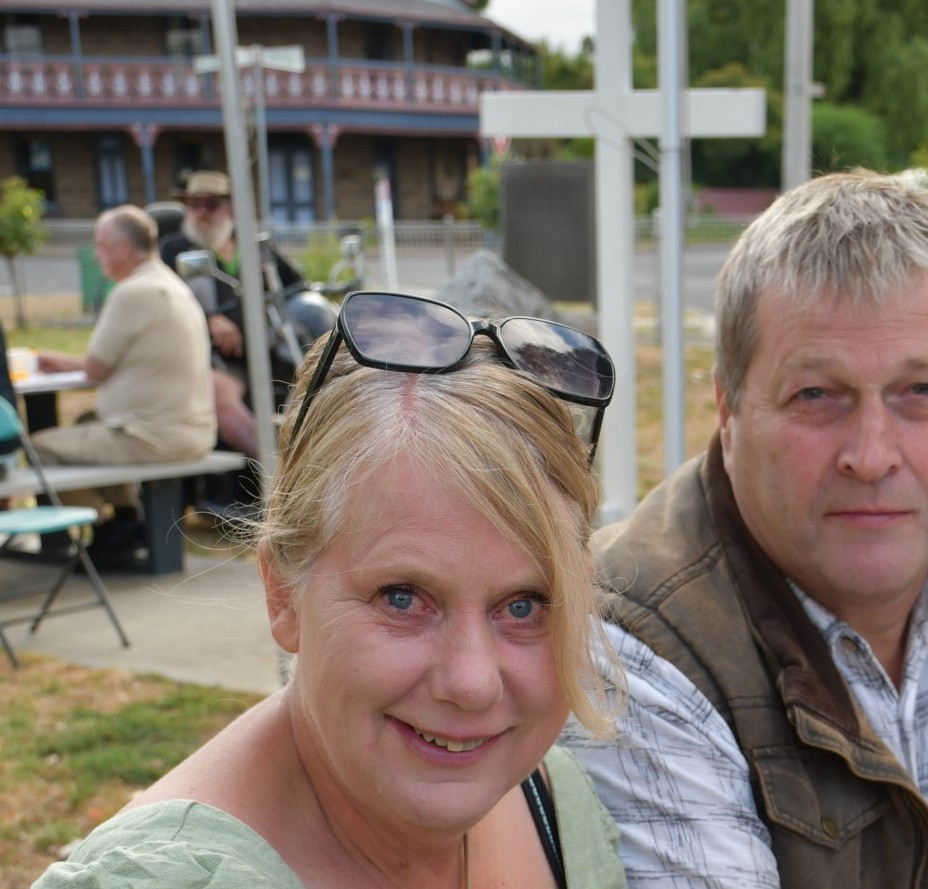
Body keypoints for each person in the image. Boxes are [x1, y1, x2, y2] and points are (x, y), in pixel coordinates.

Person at [560, 169, 928, 888]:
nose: (871, 455)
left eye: (920, 392)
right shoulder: (633, 644)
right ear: (729, 413)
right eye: (816, 394)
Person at [33, 291, 625, 888]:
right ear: (282, 593)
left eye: (524, 606)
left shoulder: (555, 801)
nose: (472, 683)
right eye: (402, 598)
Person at [32, 204, 215, 571]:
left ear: (121, 248)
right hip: (192, 430)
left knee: (38, 447)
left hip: (151, 435)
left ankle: (106, 528)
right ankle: (127, 518)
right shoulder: (170, 285)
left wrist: (46, 360)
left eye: (100, 246)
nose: (97, 256)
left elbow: (96, 368)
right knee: (87, 419)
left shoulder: (133, 291)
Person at [160, 170, 304, 460]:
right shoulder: (175, 249)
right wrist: (207, 318)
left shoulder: (255, 247)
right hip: (215, 359)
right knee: (219, 392)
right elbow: (163, 300)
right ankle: (274, 475)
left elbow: (296, 286)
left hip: (269, 352)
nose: (202, 213)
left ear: (230, 208)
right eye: (194, 205)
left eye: (211, 204)